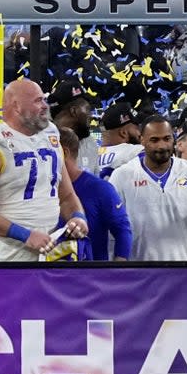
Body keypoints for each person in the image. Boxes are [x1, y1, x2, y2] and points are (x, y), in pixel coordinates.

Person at [0, 78, 88, 262]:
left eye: (44, 100)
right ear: (17, 106)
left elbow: (66, 195)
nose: (45, 106)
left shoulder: (50, 134)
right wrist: (25, 235)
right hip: (3, 261)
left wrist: (78, 217)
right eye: (38, 101)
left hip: (46, 256)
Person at [108, 116, 187, 261]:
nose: (162, 145)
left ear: (173, 139)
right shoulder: (122, 175)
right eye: (154, 140)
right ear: (142, 140)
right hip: (140, 272)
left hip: (183, 273)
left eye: (167, 139)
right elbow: (112, 226)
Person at [58, 126, 131, 261]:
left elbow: (122, 230)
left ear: (64, 153)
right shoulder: (41, 189)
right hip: (48, 275)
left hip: (91, 276)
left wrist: (117, 270)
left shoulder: (100, 189)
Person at [48, 80, 98, 172]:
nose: (91, 115)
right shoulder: (42, 142)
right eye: (87, 109)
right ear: (74, 111)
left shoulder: (90, 143)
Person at [98, 101, 144, 178]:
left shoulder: (90, 157)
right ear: (123, 133)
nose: (140, 132)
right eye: (137, 127)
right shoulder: (135, 152)